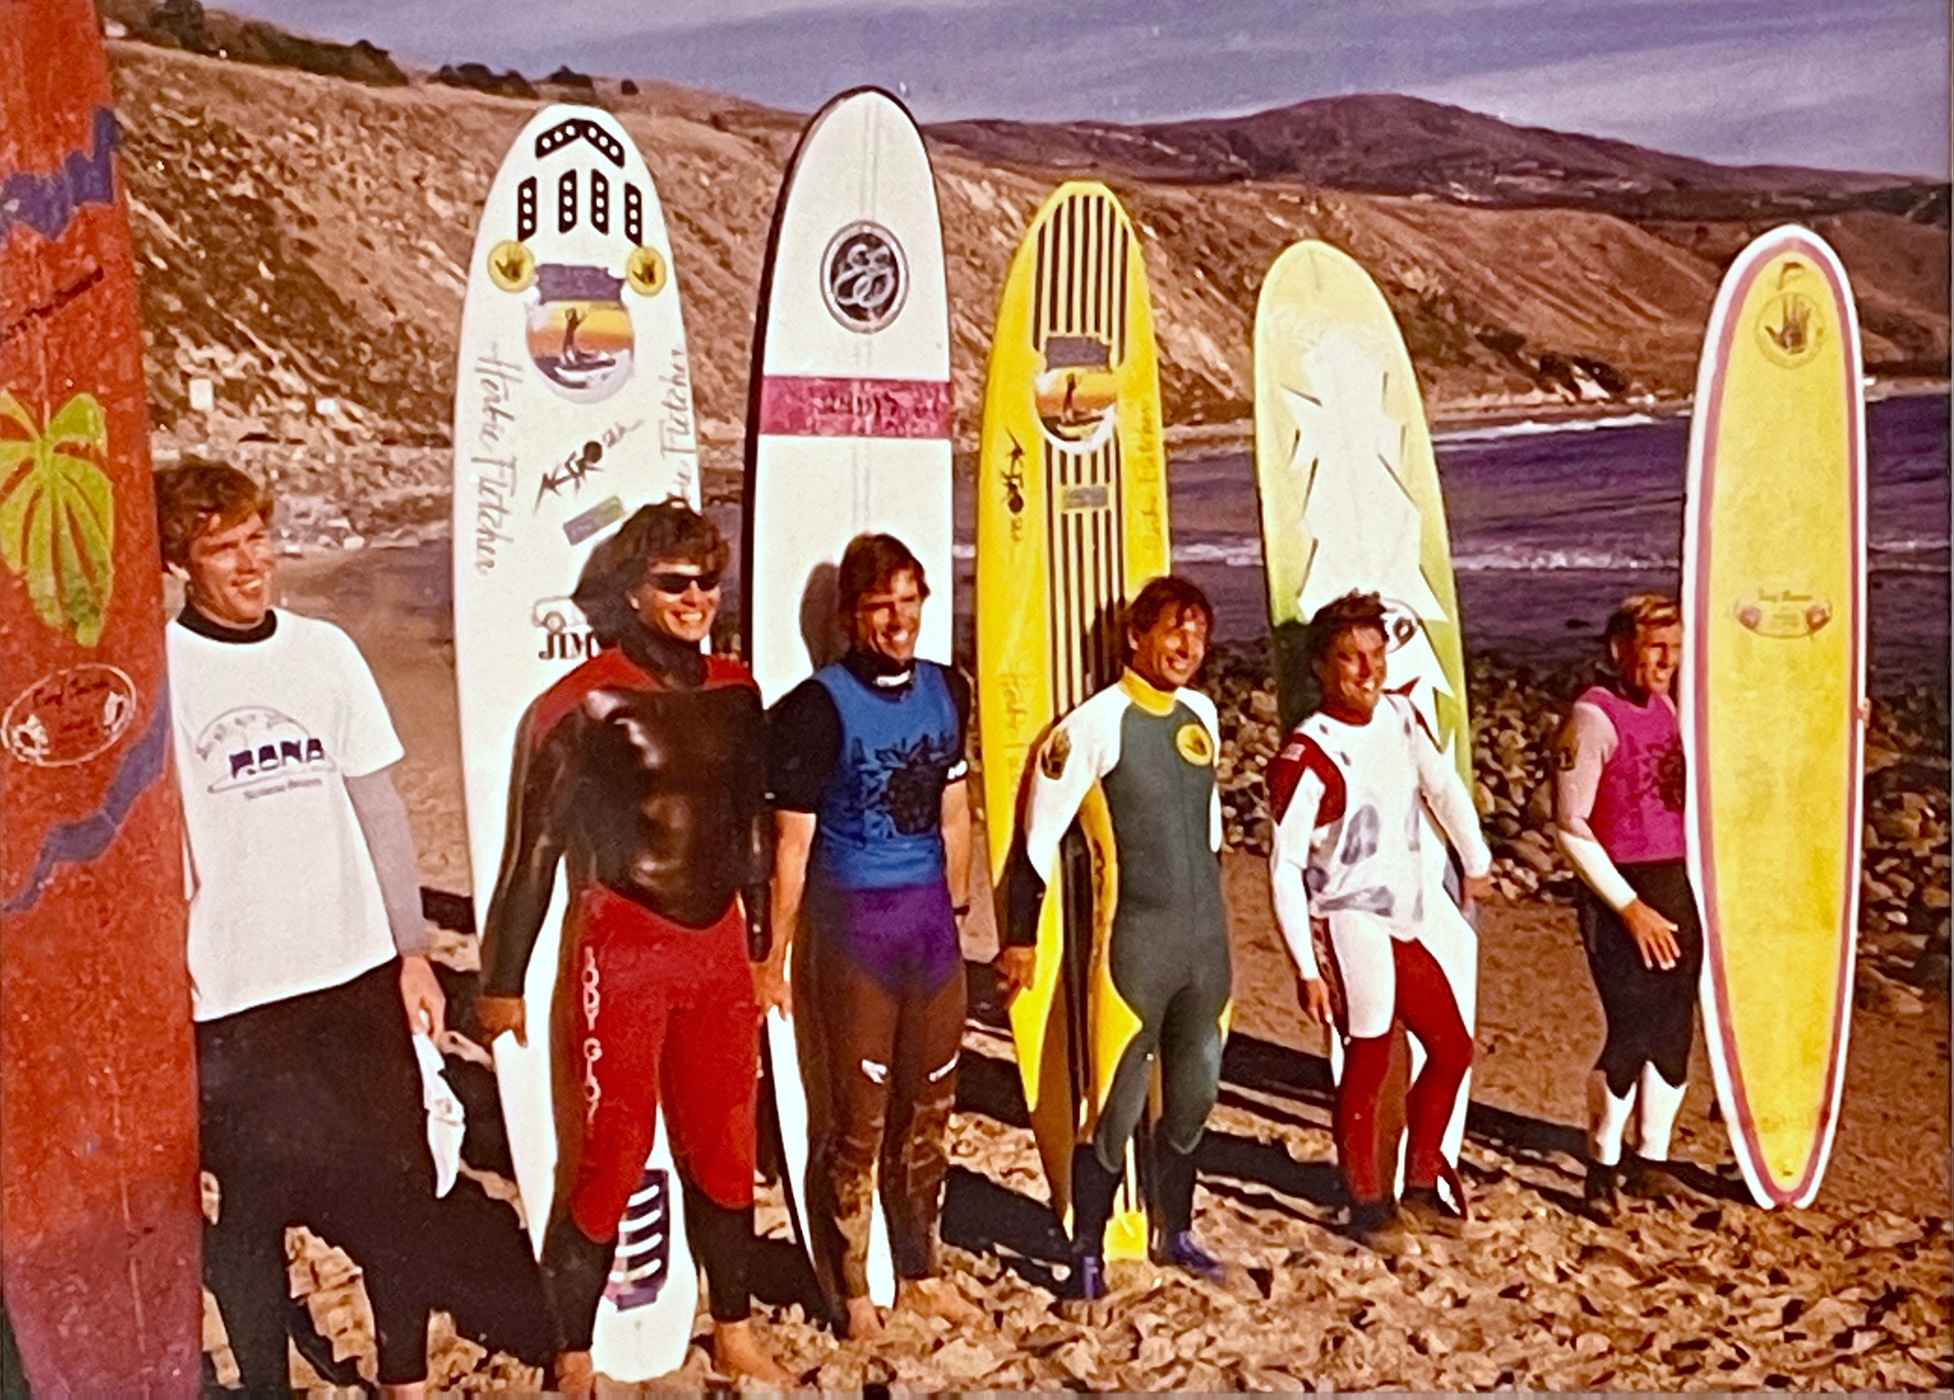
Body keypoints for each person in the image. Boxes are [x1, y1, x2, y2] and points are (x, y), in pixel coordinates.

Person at [474, 500, 790, 1389]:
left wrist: (763, 949)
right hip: (624, 944)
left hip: (717, 947)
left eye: (708, 582)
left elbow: (751, 831)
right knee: (611, 1154)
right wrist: (501, 981)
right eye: (674, 582)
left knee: (726, 1147)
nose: (696, 598)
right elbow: (534, 851)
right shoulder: (583, 702)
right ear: (633, 592)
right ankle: (573, 1352)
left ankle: (733, 1327)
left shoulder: (739, 691)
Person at [157, 463, 445, 1396]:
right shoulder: (160, 671)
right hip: (234, 989)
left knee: (399, 1187)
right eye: (224, 549)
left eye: (258, 539)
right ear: (179, 563)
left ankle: (405, 1379)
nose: (253, 564)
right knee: (252, 1210)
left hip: (354, 969)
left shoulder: (326, 651)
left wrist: (413, 952)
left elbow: (381, 809)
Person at [762, 534, 985, 1339]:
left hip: (929, 931)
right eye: (879, 605)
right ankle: (853, 1289)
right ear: (850, 617)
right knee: (856, 1122)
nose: (898, 620)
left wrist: (957, 912)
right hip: (853, 932)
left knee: (930, 1113)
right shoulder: (814, 709)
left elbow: (955, 814)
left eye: (909, 600)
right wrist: (772, 958)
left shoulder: (947, 689)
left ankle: (921, 1272)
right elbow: (789, 848)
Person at [1002, 576, 1230, 1301]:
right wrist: (1019, 941)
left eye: (1198, 633)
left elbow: (1212, 838)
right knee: (1114, 1105)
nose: (1187, 646)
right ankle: (1087, 1254)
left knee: (1194, 1096)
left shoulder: (1202, 715)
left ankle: (1177, 1231)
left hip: (1207, 951)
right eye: (1173, 630)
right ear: (1136, 636)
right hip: (1136, 950)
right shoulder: (1093, 727)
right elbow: (1036, 843)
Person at [1265, 589, 1492, 1251]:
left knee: (1451, 1047)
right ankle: (1366, 1204)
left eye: (1376, 654)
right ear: (1322, 668)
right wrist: (1306, 968)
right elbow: (1283, 865)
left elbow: (1442, 785)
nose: (1368, 670)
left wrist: (1475, 858)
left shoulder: (1400, 716)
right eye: (1350, 657)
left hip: (1400, 920)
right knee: (1367, 1059)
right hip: (1347, 921)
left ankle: (1419, 1185)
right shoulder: (1309, 754)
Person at [1553, 593, 1701, 1220]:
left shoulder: (1666, 706)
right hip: (1618, 893)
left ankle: (1652, 1163)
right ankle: (1601, 1170)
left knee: (1674, 1027)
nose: (1667, 661)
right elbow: (1569, 825)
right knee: (1632, 1029)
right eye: (1655, 648)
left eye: (1675, 648)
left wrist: (1849, 718)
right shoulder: (1592, 717)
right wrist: (1629, 907)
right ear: (1619, 649)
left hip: (1672, 881)